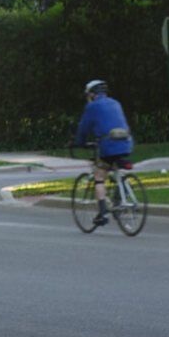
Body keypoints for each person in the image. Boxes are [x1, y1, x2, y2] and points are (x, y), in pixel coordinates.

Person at [75, 79, 134, 227]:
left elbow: (84, 128)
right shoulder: (116, 103)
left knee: (99, 175)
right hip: (126, 143)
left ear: (93, 94)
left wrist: (80, 142)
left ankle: (102, 212)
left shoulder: (92, 107)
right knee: (115, 168)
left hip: (109, 145)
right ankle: (121, 192)